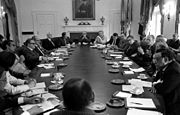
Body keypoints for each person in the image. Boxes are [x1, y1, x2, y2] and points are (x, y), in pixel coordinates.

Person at [150, 48, 180, 115]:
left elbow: (164, 89)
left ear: (166, 59)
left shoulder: (174, 70)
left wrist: (155, 85)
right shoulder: (165, 66)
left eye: (156, 59)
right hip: (166, 99)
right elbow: (155, 80)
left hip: (174, 106)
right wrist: (156, 84)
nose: (153, 62)